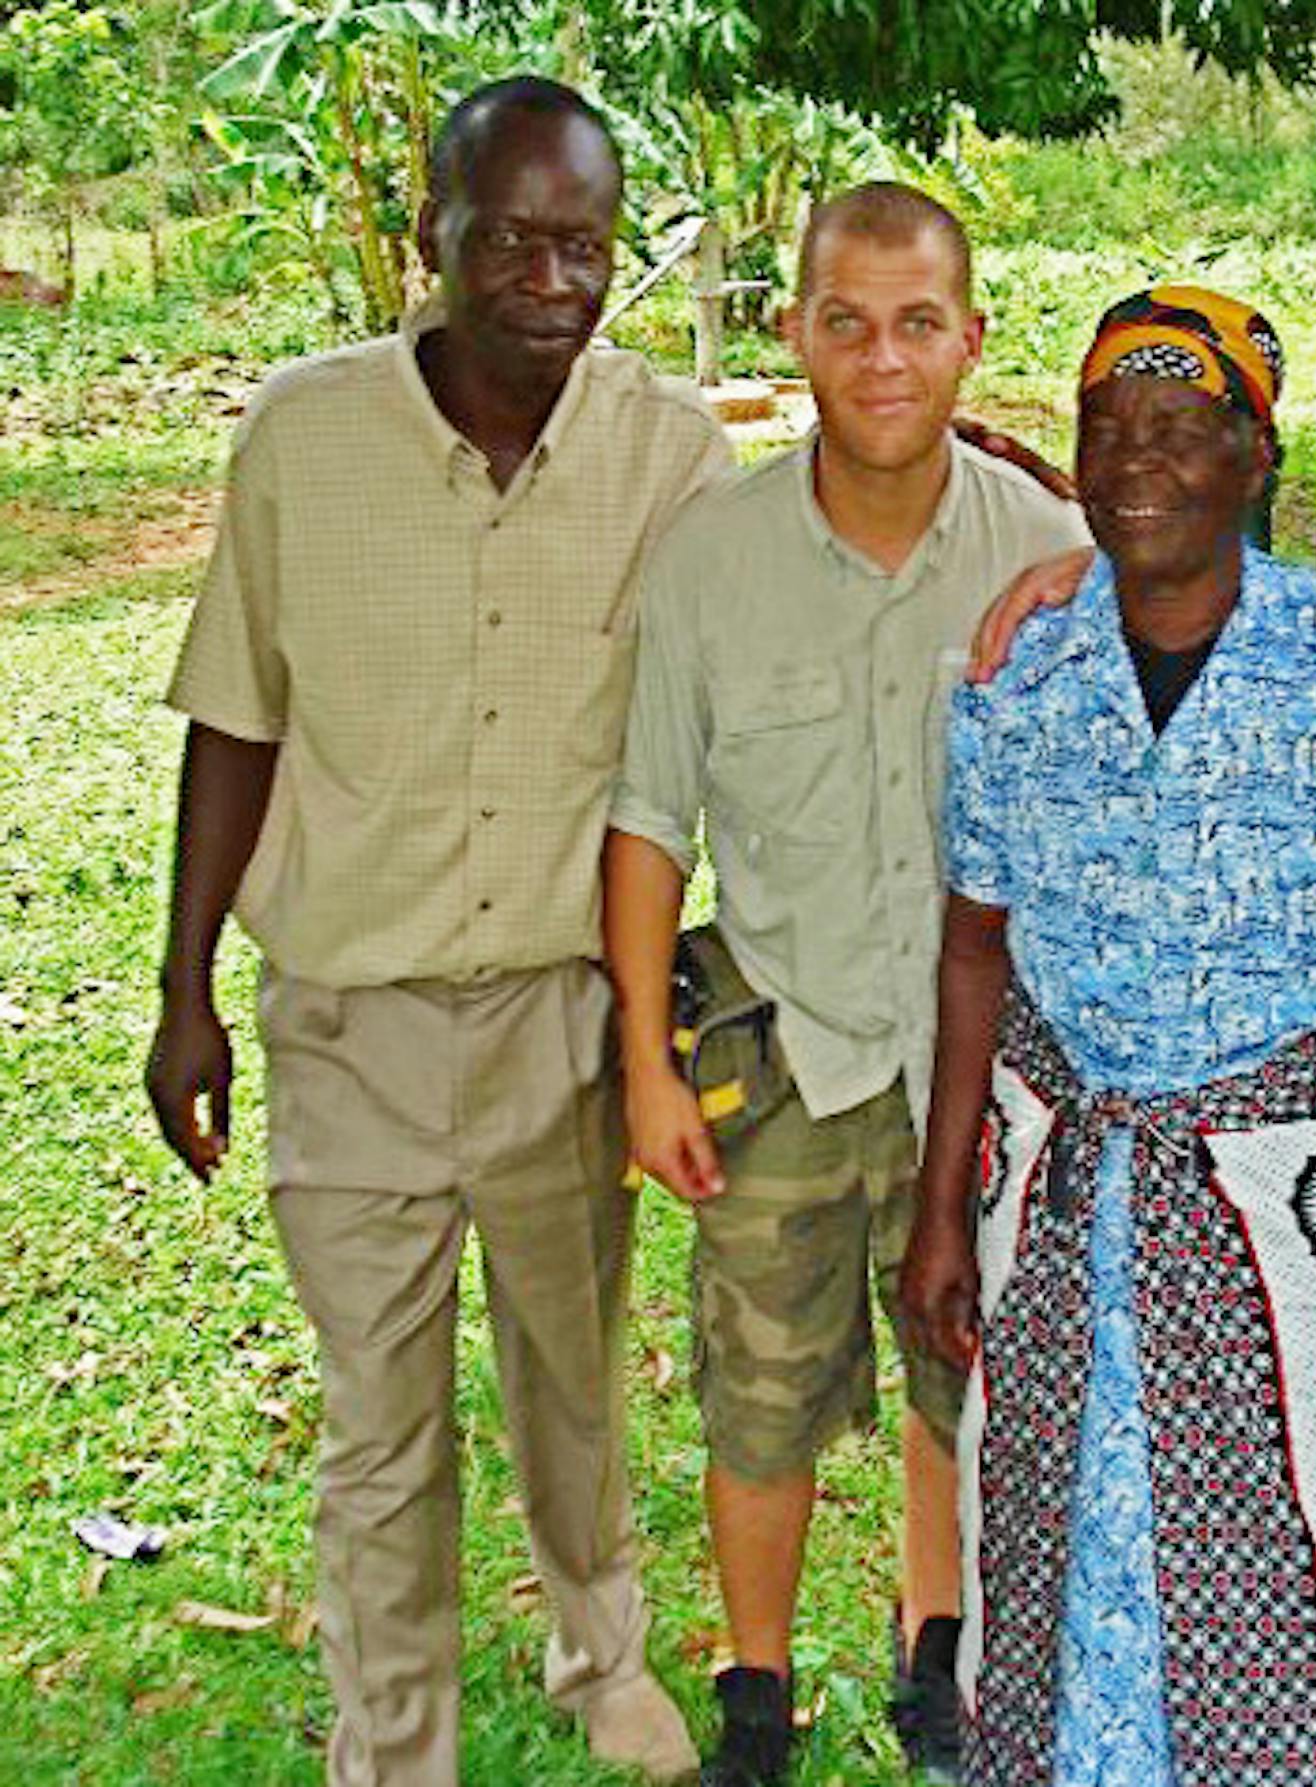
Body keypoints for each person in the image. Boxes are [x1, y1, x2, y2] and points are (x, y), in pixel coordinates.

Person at [144, 78, 729, 1785]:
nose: (552, 279)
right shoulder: (302, 437)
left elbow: (773, 616)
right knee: (380, 1428)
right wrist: (184, 992)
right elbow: (233, 720)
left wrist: (964, 469)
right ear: (436, 241)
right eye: (513, 240)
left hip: (567, 1011)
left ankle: (597, 1652)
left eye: (585, 245)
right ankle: (392, 1739)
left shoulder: (670, 450)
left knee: (571, 1376)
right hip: (353, 1020)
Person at [902, 285, 1316, 1786]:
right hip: (1067, 1205)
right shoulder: (1017, 677)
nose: (1140, 459)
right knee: (1067, 1549)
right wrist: (937, 1214)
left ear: (1253, 458)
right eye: (1108, 427)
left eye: (1184, 427)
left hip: (1312, 1231)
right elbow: (974, 950)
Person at [600, 182, 1091, 1787]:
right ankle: (755, 1689)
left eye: (919, 323)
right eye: (848, 322)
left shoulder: (1049, 551)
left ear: (970, 336)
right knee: (761, 1398)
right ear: (798, 333)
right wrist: (650, 1070)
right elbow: (649, 818)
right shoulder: (713, 562)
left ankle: (936, 1653)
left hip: (981, 1067)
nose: (884, 360)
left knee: (970, 1371)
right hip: (787, 1046)